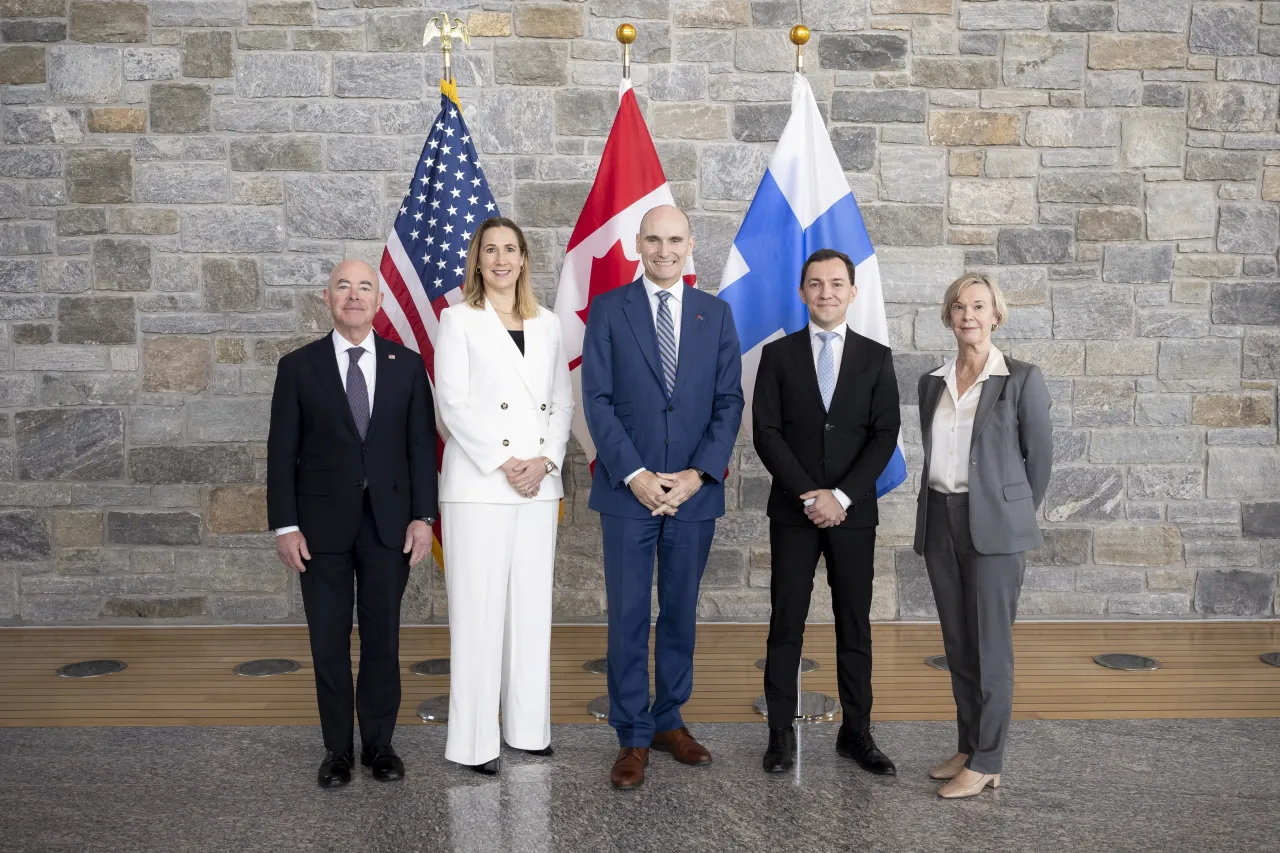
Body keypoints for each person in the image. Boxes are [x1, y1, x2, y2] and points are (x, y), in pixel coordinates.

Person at [581, 204, 744, 790]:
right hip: (630, 494)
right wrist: (636, 475)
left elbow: (729, 402)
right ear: (638, 244)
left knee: (679, 613)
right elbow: (596, 399)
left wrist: (699, 473)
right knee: (628, 616)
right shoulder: (608, 310)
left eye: (675, 240)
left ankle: (670, 720)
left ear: (690, 243)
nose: (665, 250)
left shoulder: (715, 314)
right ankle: (631, 736)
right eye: (654, 239)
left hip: (693, 495)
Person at [267, 259, 437, 788]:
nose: (354, 295)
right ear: (327, 297)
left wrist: (423, 518)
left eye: (365, 287)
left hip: (389, 526)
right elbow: (280, 454)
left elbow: (419, 449)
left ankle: (379, 745)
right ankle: (337, 749)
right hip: (319, 530)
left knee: (384, 639)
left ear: (379, 300)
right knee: (328, 642)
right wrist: (284, 526)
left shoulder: (407, 366)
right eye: (344, 286)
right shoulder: (298, 366)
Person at [752, 249, 901, 776]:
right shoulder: (778, 356)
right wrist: (811, 494)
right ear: (802, 292)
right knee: (785, 622)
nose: (826, 293)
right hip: (794, 513)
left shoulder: (876, 357)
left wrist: (841, 496)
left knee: (853, 625)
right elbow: (766, 433)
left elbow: (885, 436)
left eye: (837, 284)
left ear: (853, 292)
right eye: (815, 284)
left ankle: (856, 733)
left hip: (853, 514)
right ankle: (779, 734)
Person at [434, 217, 573, 775]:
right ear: (477, 260)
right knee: (477, 614)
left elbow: (562, 403)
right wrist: (507, 462)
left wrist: (545, 461)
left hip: (539, 487)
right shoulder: (457, 319)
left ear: (523, 259)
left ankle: (527, 730)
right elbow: (453, 405)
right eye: (489, 249)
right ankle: (472, 743)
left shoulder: (549, 323)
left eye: (509, 249)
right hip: (480, 486)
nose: (500, 259)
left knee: (530, 612)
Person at [914, 272, 1052, 799]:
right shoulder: (934, 382)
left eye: (978, 306)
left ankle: (990, 759)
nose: (968, 315)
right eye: (958, 307)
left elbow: (1038, 464)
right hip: (940, 520)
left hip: (995, 527)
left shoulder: (1021, 378)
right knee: (959, 644)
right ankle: (969, 744)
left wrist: (1007, 514)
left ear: (996, 315)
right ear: (948, 317)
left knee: (992, 647)